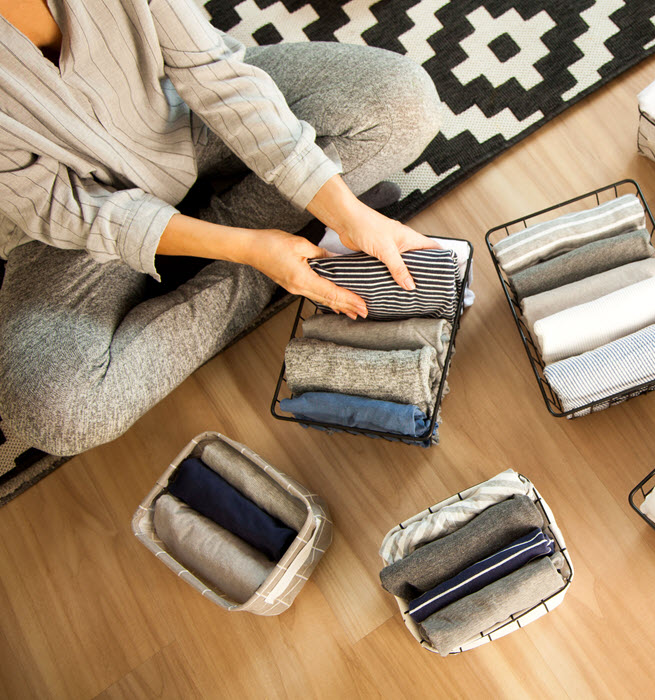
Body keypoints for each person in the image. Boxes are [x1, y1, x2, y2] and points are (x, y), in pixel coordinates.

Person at [0, 0, 443, 455]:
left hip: (189, 113)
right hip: (73, 218)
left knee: (406, 102)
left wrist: (347, 213)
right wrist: (248, 249)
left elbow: (214, 76)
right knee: (56, 415)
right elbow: (60, 207)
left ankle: (272, 249)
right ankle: (271, 260)